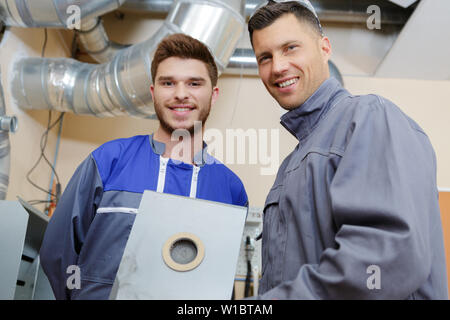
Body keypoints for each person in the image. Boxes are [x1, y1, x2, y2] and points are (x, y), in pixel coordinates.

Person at [248, 0, 448, 299]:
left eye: (290, 48)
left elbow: (383, 259)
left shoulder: (369, 117)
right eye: (265, 57)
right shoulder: (291, 165)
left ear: (324, 48)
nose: (277, 66)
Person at [39, 33, 248, 300]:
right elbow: (58, 253)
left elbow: (218, 280)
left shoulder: (231, 190)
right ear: (153, 92)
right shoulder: (108, 162)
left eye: (194, 83)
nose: (181, 94)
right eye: (168, 83)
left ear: (213, 94)